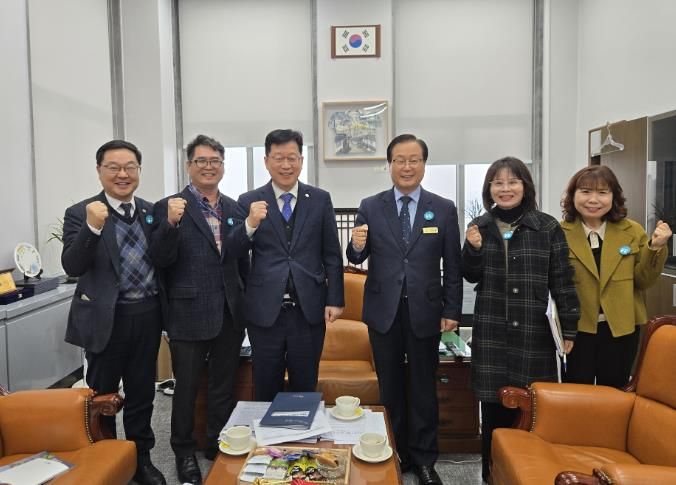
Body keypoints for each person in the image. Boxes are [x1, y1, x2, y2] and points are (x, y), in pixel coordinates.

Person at [346, 134, 462, 485]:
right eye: (400, 160)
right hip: (384, 311)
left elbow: (453, 265)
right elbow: (356, 258)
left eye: (414, 160)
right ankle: (394, 453)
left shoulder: (443, 208)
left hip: (426, 310)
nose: (407, 167)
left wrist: (452, 309)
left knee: (424, 388)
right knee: (390, 388)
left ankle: (425, 460)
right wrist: (355, 245)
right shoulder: (371, 205)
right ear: (390, 165)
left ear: (424, 164)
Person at [461, 156, 580, 483]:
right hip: (492, 333)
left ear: (525, 186)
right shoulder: (480, 227)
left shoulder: (547, 227)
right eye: (498, 183)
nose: (505, 188)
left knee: (533, 411)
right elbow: (469, 274)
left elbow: (563, 280)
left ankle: (530, 476)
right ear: (489, 189)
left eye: (512, 182)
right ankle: (491, 475)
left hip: (534, 334)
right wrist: (473, 249)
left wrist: (569, 329)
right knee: (493, 411)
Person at [61, 140, 165, 485]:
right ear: (99, 170)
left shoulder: (150, 211)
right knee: (102, 396)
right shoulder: (81, 212)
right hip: (106, 319)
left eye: (130, 167)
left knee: (142, 393)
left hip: (147, 314)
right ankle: (106, 459)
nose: (123, 174)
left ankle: (140, 458)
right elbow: (73, 265)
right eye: (114, 167)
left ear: (139, 170)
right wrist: (92, 228)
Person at [149, 134, 248, 485]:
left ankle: (216, 442)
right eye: (201, 161)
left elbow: (241, 262)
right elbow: (160, 259)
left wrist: (243, 301)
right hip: (188, 312)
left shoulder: (235, 209)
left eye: (215, 161)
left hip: (229, 313)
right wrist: (171, 224)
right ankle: (183, 451)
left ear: (223, 166)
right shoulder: (168, 207)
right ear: (189, 165)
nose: (209, 167)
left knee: (223, 385)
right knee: (186, 389)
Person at [230, 129, 344, 401]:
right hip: (264, 311)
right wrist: (250, 224)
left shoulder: (320, 199)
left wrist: (335, 299)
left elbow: (332, 253)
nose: (285, 165)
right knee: (265, 386)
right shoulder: (248, 201)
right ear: (266, 161)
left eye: (292, 158)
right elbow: (233, 251)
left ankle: (302, 430)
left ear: (301, 160)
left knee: (305, 387)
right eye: (278, 158)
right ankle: (267, 432)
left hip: (308, 310)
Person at [561, 165, 671, 388]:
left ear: (614, 197)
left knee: (615, 391)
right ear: (573, 196)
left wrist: (656, 247)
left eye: (602, 192)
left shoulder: (632, 231)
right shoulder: (558, 233)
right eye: (585, 191)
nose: (593, 199)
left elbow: (643, 281)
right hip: (575, 330)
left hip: (621, 328)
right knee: (576, 393)